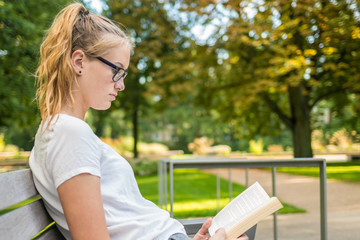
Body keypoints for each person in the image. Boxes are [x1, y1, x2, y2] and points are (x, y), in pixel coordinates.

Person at [29, 2, 248, 240]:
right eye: (117, 70)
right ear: (79, 62)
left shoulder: (63, 130)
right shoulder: (69, 133)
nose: (121, 85)